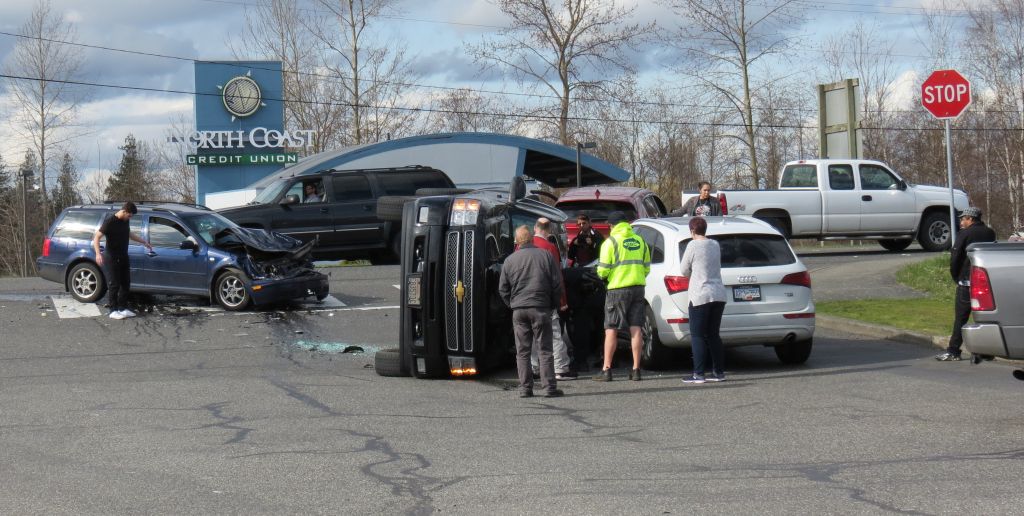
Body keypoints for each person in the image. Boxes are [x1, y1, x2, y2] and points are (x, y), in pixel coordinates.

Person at [499, 225, 565, 398]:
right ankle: (549, 387)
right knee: (545, 349)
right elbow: (557, 283)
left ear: (517, 241)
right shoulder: (546, 256)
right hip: (541, 307)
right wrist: (553, 304)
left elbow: (503, 289)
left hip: (519, 310)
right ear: (531, 238)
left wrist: (512, 304)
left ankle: (525, 388)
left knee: (522, 351)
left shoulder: (510, 260)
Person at [593, 211, 651, 382]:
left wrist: (605, 276)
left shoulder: (610, 242)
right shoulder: (640, 241)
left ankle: (607, 369)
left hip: (617, 289)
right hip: (638, 287)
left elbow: (603, 270)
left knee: (611, 328)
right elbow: (646, 267)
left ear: (612, 226)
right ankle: (636, 369)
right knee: (636, 328)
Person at [936, 206, 996, 361]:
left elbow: (955, 257)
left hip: (967, 281)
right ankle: (985, 351)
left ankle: (953, 351)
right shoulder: (990, 233)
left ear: (971, 219)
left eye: (963, 219)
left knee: (961, 318)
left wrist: (956, 276)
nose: (961, 222)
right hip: (985, 282)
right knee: (984, 318)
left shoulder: (965, 234)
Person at [678, 216, 728, 383]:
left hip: (700, 294)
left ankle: (698, 374)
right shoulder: (715, 244)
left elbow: (684, 270)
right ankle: (718, 372)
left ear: (692, 230)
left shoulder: (692, 245)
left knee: (697, 335)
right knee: (714, 335)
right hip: (718, 293)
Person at [529, 218, 576, 380]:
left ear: (535, 228)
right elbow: (557, 276)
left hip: (525, 299)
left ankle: (534, 367)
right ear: (548, 230)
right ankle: (560, 367)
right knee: (554, 333)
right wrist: (562, 300)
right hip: (545, 298)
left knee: (532, 334)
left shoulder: (522, 246)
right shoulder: (550, 248)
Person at [92, 201, 153, 320]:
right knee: (114, 284)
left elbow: (129, 234)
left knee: (126, 283)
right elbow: (97, 237)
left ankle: (122, 308)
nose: (130, 218)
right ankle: (113, 310)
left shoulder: (125, 220)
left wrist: (144, 242)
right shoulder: (110, 222)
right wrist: (98, 254)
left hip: (123, 255)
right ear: (124, 211)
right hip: (111, 256)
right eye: (129, 215)